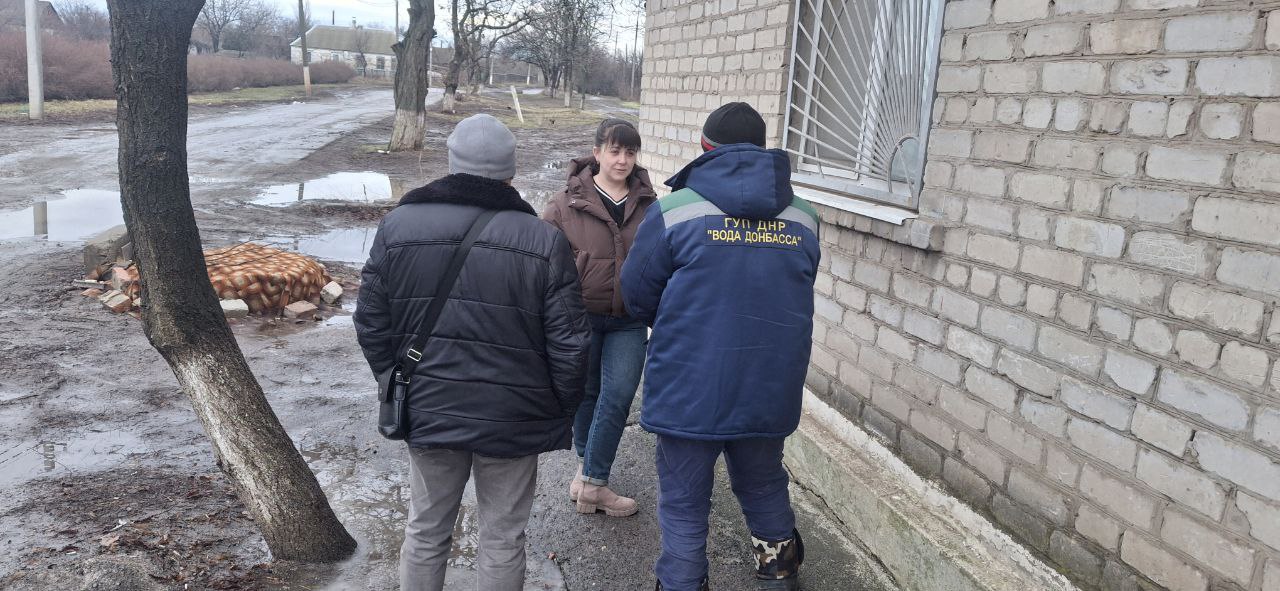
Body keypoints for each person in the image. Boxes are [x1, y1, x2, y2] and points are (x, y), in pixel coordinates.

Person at [354, 114, 590, 591]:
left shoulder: (399, 225)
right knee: (503, 537)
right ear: (511, 170)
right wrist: (557, 407)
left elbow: (370, 321)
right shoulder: (543, 239)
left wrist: (397, 379)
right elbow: (571, 342)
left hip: (429, 407)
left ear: (451, 163)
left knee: (425, 529)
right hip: (514, 415)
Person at [620, 102, 821, 591]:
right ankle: (780, 579)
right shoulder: (805, 216)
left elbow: (637, 295)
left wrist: (684, 324)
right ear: (763, 148)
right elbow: (799, 284)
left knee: (684, 500)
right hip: (769, 385)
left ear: (705, 148)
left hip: (689, 384)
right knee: (764, 484)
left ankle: (683, 582)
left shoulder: (674, 211)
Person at [543, 118, 657, 517]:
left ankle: (593, 482)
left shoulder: (649, 204)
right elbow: (544, 261)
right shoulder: (564, 203)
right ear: (596, 153)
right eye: (614, 150)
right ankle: (586, 470)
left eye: (630, 152)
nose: (622, 160)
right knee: (585, 395)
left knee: (618, 394)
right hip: (580, 318)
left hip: (629, 318)